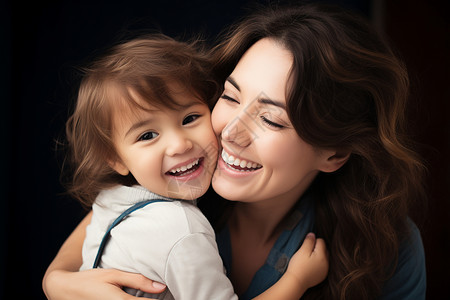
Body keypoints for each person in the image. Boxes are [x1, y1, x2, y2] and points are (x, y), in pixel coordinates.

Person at [43, 3, 427, 299]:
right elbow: (96, 226)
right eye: (229, 96)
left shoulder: (386, 247)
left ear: (334, 154)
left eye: (272, 120)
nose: (231, 132)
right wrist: (56, 282)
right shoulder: (180, 178)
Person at [46, 33, 328, 300]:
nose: (179, 145)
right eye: (147, 135)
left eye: (190, 118)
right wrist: (296, 281)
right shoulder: (182, 230)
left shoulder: (116, 196)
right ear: (115, 159)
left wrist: (56, 280)